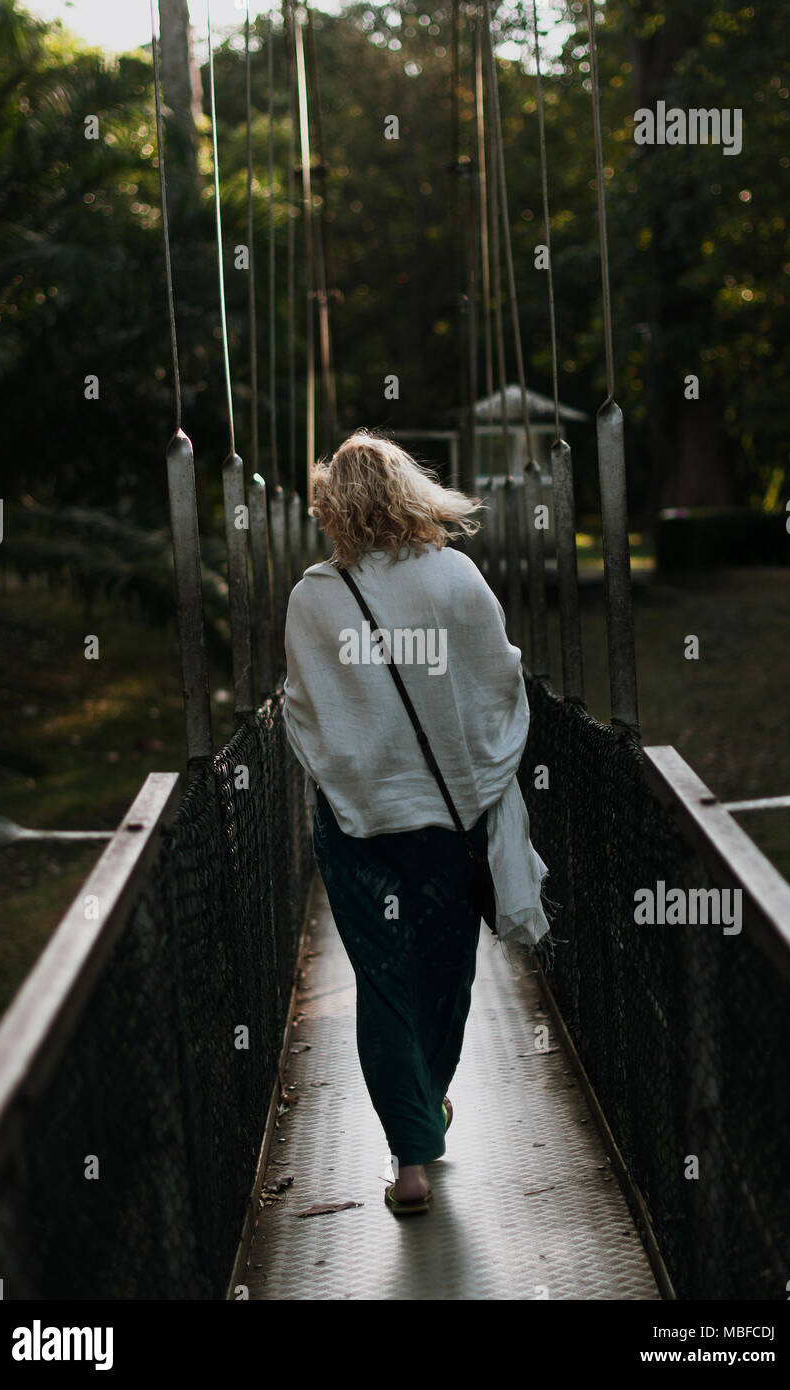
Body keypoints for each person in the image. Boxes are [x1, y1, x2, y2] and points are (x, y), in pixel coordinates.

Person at [283, 430, 549, 1216]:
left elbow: (302, 711)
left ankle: (410, 1160)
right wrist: (483, 779)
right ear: (411, 494)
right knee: (445, 977)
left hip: (358, 825)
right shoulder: (458, 580)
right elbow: (502, 682)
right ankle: (424, 1113)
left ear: (332, 505)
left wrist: (351, 774)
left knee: (382, 983)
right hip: (449, 827)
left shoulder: (313, 597)